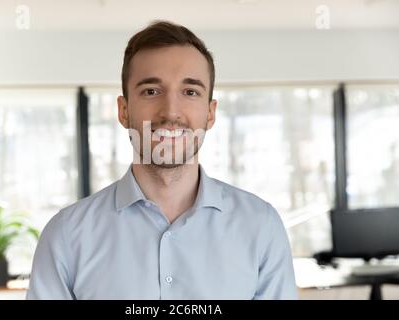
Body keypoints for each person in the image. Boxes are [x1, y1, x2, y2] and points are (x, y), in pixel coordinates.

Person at [27, 20, 297, 300]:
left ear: (210, 113)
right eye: (151, 91)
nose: (171, 112)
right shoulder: (66, 235)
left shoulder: (261, 226)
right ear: (123, 110)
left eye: (190, 92)